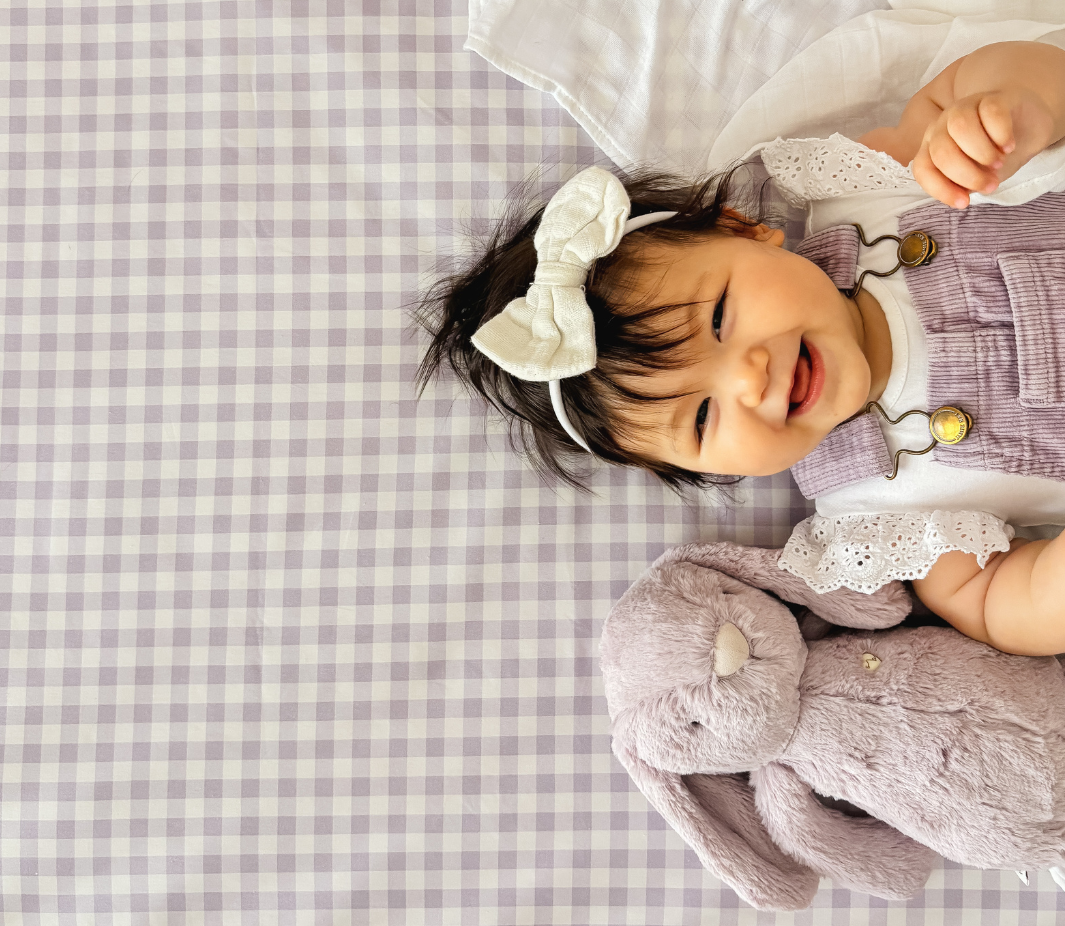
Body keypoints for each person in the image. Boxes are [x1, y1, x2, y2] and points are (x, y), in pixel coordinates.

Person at [417, 41, 1065, 657]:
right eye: (702, 417)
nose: (749, 379)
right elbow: (988, 602)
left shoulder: (871, 191)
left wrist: (1006, 112)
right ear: (705, 471)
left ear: (744, 231)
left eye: (721, 318)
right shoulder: (877, 511)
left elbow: (957, 89)